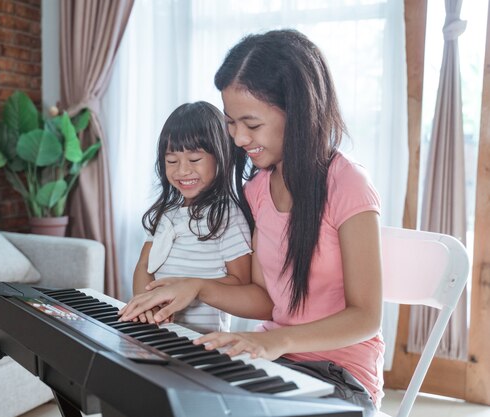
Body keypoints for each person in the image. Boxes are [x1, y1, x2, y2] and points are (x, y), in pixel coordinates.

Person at [119, 29, 384, 415]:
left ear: (298, 111)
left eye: (252, 124)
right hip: (275, 360)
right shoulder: (258, 190)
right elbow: (264, 299)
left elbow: (366, 316)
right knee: (163, 395)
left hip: (339, 373)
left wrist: (278, 343)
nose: (239, 137)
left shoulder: (348, 184)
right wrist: (196, 287)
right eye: (231, 123)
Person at [131, 101, 253, 333]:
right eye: (172, 161)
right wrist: (144, 304)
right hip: (162, 333)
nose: (182, 171)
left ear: (220, 156)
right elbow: (144, 266)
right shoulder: (165, 213)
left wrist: (193, 287)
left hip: (202, 341)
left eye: (194, 160)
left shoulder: (226, 216)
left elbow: (242, 283)